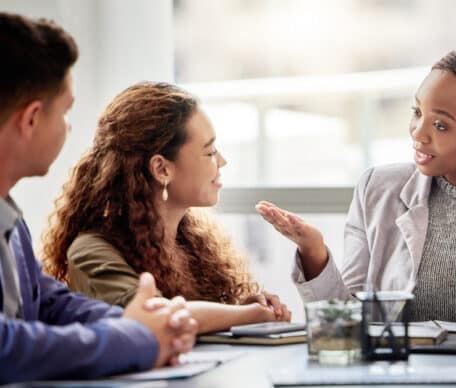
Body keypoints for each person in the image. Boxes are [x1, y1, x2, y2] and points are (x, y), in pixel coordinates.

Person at [257, 46, 456, 322]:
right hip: (402, 372)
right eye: (417, 112)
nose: (417, 133)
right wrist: (314, 252)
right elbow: (348, 318)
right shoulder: (377, 189)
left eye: (440, 124)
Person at [0, 12, 198, 383]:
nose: (69, 126)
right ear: (30, 120)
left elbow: (48, 302)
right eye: (66, 111)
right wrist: (134, 337)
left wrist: (154, 322)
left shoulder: (9, 216)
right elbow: (6, 346)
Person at [42, 81, 291, 334]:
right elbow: (157, 318)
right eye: (210, 152)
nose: (222, 161)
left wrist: (237, 310)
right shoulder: (91, 250)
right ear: (162, 169)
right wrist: (244, 316)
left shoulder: (191, 244)